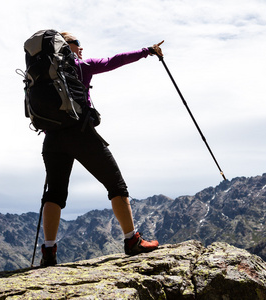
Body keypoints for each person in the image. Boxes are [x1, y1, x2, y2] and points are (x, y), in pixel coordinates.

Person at [40, 31, 164, 267]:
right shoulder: (80, 67)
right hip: (81, 134)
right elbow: (113, 61)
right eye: (78, 43)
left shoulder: (43, 75)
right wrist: (147, 51)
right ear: (67, 46)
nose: (82, 48)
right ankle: (132, 241)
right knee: (116, 185)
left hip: (52, 140)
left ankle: (48, 251)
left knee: (54, 194)